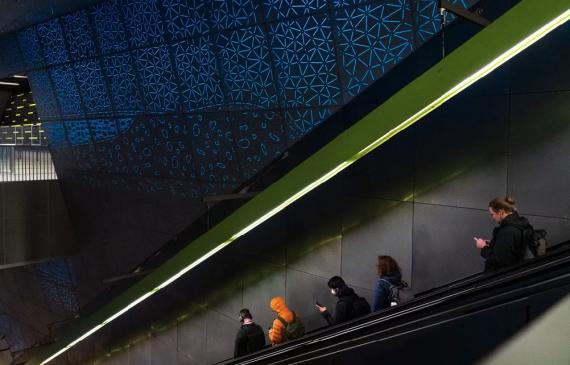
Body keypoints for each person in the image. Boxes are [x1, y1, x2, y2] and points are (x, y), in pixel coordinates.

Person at [474, 197, 534, 272]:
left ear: (501, 212)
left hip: (500, 277)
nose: (492, 217)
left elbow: (499, 260)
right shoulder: (520, 224)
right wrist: (495, 243)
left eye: (492, 214)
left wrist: (483, 247)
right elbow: (511, 248)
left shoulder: (507, 231)